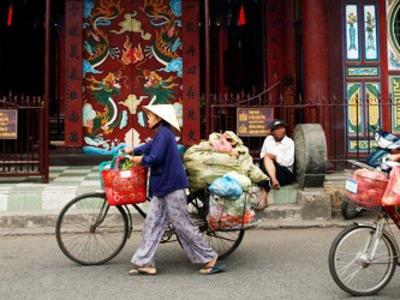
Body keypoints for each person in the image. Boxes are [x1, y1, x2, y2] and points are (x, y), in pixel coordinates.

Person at [126, 104, 224, 276]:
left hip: (172, 186)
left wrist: (140, 160)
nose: (147, 119)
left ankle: (209, 257)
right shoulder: (161, 135)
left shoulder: (164, 134)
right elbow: (150, 147)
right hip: (162, 187)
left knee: (182, 225)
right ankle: (145, 262)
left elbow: (154, 157)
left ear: (158, 118)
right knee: (152, 222)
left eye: (149, 117)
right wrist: (133, 150)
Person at [257, 119, 295, 210]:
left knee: (265, 173)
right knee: (265, 160)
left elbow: (289, 161)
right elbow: (262, 154)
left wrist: (276, 158)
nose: (281, 130)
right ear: (272, 132)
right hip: (269, 168)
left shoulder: (289, 142)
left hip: (284, 173)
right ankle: (273, 181)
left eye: (282, 128)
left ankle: (263, 198)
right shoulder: (268, 140)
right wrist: (269, 158)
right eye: (277, 129)